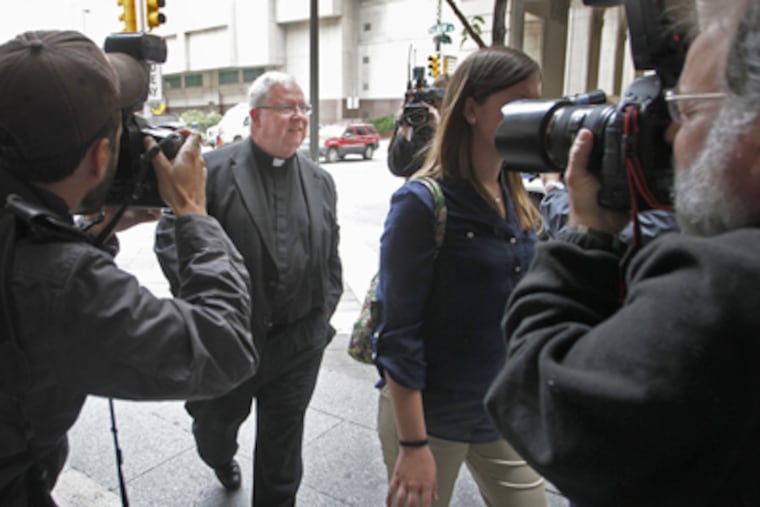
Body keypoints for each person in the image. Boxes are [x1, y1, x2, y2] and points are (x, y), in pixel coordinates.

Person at [485, 1, 760, 506]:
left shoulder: (730, 285)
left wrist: (586, 234)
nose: (671, 135)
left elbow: (542, 398)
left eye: (689, 111)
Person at [0, 30, 257, 505]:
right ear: (101, 158)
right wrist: (192, 212)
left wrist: (93, 233)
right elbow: (224, 349)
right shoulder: (65, 285)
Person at [155, 70, 343, 506]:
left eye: (304, 108)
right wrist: (203, 307)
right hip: (229, 343)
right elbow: (170, 237)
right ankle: (219, 457)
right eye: (287, 108)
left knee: (282, 455)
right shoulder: (212, 172)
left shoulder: (321, 181)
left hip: (298, 344)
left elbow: (330, 253)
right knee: (214, 430)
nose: (299, 117)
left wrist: (323, 311)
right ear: (256, 116)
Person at [374, 47, 548, 507]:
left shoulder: (521, 199)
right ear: (470, 109)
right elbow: (398, 335)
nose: (531, 115)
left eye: (537, 101)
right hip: (427, 418)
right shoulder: (422, 204)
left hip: (498, 410)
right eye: (516, 103)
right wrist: (413, 446)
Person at [387, 73, 449, 179]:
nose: (437, 105)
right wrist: (404, 128)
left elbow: (451, 168)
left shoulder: (460, 131)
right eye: (433, 100)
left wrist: (438, 130)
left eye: (442, 99)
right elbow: (399, 168)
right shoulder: (420, 125)